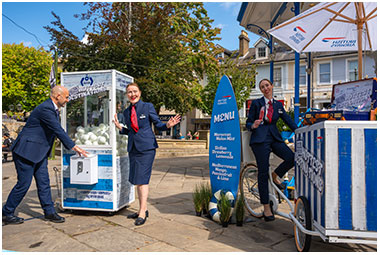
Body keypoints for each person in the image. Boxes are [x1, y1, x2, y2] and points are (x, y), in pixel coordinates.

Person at [2, 86, 88, 225]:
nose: (67, 99)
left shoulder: (53, 109)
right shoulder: (46, 108)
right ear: (57, 96)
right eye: (66, 97)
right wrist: (73, 146)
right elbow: (57, 129)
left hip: (39, 152)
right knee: (23, 184)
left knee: (44, 183)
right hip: (26, 151)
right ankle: (6, 212)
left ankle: (49, 212)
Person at [113, 83, 181, 226]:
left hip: (146, 148)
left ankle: (143, 212)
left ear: (140, 92)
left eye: (135, 91)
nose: (132, 94)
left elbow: (158, 124)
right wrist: (121, 128)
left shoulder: (148, 107)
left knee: (142, 180)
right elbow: (130, 131)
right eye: (129, 92)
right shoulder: (126, 112)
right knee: (137, 180)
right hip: (133, 148)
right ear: (127, 95)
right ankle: (142, 209)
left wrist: (167, 125)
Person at [246, 79, 297, 222]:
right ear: (261, 90)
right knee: (263, 171)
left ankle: (275, 175)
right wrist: (253, 125)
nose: (265, 88)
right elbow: (248, 123)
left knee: (291, 157)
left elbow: (288, 120)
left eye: (267, 85)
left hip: (274, 137)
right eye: (262, 87)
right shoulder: (256, 103)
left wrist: (301, 130)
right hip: (260, 140)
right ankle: (266, 207)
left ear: (271, 86)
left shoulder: (278, 105)